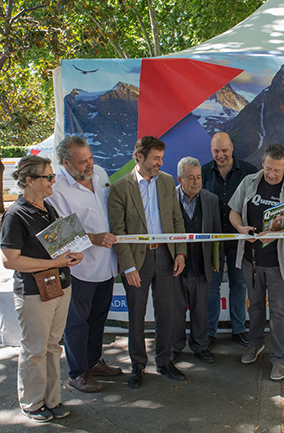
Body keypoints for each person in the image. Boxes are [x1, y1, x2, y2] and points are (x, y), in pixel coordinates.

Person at [1, 155, 83, 422]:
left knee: (51, 346)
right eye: (48, 177)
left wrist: (71, 256)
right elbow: (10, 259)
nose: (53, 181)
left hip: (59, 286)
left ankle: (52, 399)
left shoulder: (48, 208)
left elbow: (59, 246)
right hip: (34, 292)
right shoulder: (15, 215)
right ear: (29, 180)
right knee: (35, 349)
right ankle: (32, 403)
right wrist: (54, 261)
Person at [107, 136, 187, 388]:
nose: (160, 163)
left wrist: (180, 252)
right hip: (136, 261)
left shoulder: (166, 182)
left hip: (165, 256)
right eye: (156, 158)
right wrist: (128, 267)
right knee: (137, 316)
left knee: (167, 312)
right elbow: (117, 231)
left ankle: (164, 361)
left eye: (161, 158)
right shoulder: (120, 188)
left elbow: (177, 220)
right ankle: (138, 365)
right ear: (139, 157)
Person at [46, 136, 121, 394]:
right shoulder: (56, 190)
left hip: (107, 264)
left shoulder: (100, 174)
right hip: (79, 268)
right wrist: (94, 238)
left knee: (99, 318)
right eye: (82, 162)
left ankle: (94, 361)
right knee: (77, 322)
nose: (89, 165)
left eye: (90, 158)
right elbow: (58, 234)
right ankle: (78, 373)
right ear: (66, 163)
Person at [229, 143, 284, 381]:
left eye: (276, 170)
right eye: (267, 168)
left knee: (278, 312)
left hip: (277, 262)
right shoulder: (249, 182)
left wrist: (277, 234)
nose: (271, 174)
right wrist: (239, 227)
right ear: (262, 162)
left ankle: (280, 358)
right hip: (250, 260)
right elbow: (233, 211)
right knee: (254, 307)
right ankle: (254, 344)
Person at [201, 132, 258, 347]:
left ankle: (238, 330)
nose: (221, 155)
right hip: (213, 241)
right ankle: (210, 333)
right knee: (212, 287)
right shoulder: (204, 172)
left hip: (239, 239)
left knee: (239, 284)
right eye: (216, 151)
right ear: (211, 150)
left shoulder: (249, 172)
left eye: (224, 150)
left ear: (232, 147)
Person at [171, 157, 221, 364]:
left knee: (201, 309)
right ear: (179, 178)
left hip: (201, 266)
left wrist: (216, 261)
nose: (196, 182)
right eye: (190, 178)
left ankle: (200, 346)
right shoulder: (167, 199)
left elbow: (217, 234)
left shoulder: (211, 199)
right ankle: (175, 346)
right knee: (176, 310)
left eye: (199, 177)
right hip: (174, 267)